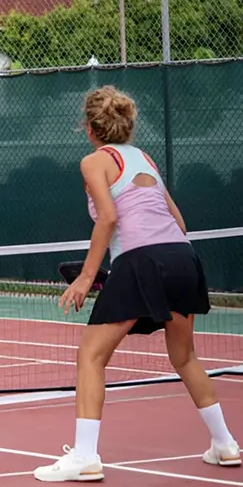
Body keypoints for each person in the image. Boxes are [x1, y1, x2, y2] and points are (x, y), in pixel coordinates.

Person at [33, 86, 240, 482]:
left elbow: (107, 219)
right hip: (183, 258)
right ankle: (225, 444)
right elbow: (177, 222)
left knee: (90, 357)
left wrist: (85, 279)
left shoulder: (94, 161)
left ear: (91, 128)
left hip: (143, 261)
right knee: (184, 357)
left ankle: (85, 457)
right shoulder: (144, 159)